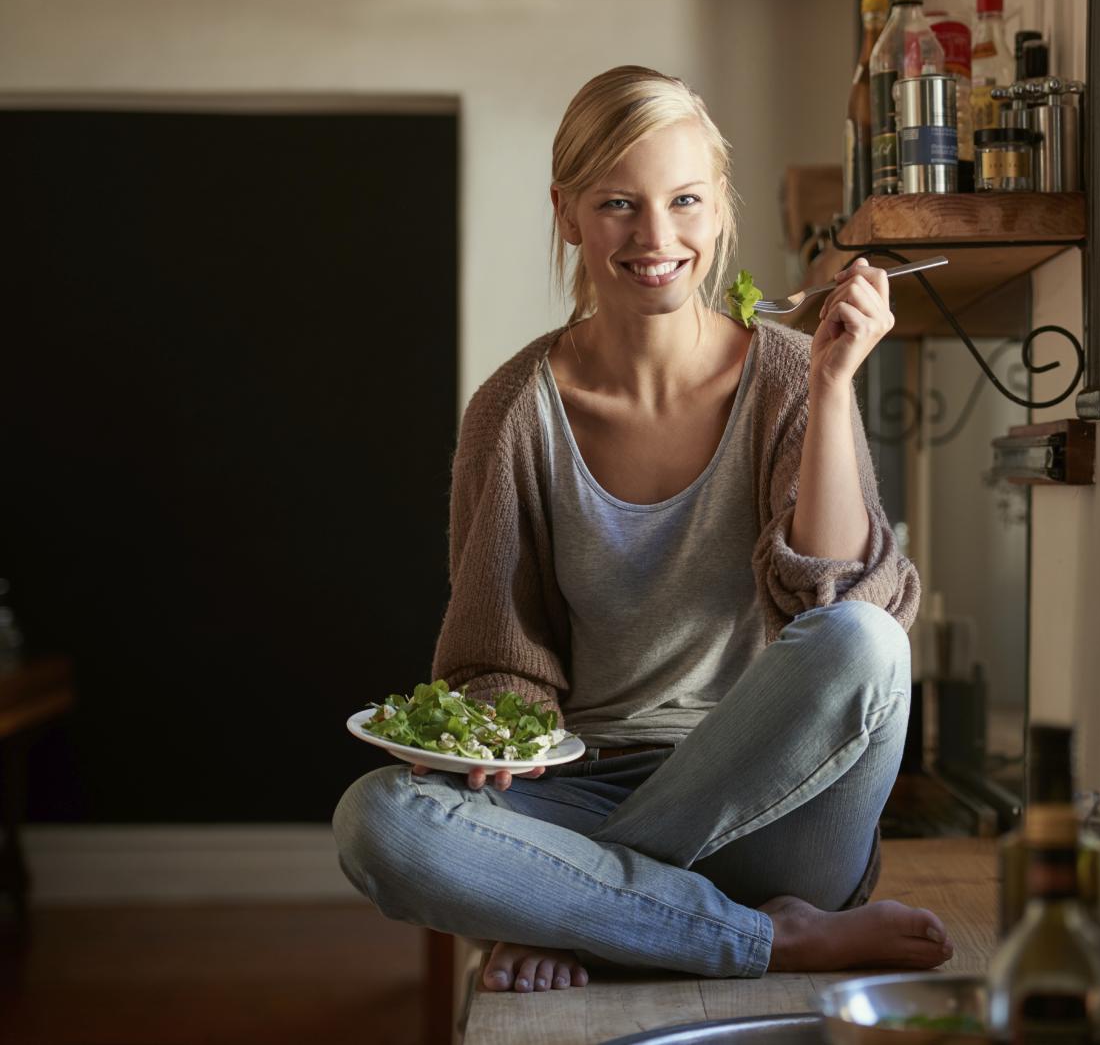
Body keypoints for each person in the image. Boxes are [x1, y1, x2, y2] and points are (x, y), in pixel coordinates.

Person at [333, 65, 949, 995]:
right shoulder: (512, 411)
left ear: (718, 207)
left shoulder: (787, 373)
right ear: (568, 212)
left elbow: (834, 598)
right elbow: (497, 652)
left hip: (777, 808)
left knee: (866, 640)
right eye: (619, 204)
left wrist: (831, 387)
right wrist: (503, 741)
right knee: (376, 821)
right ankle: (761, 940)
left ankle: (580, 916)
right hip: (582, 787)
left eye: (685, 201)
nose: (657, 238)